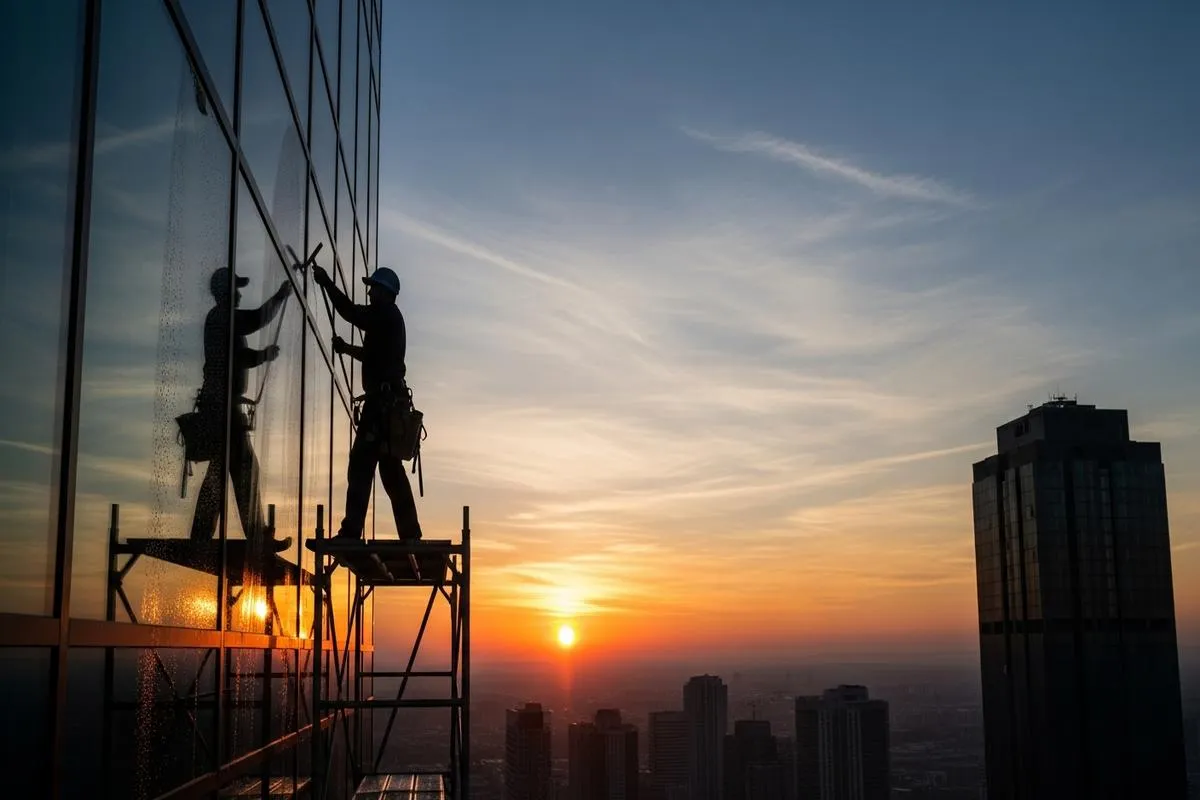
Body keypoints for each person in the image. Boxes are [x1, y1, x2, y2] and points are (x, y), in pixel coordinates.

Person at [311, 264, 423, 541]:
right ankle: (410, 535)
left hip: (382, 408)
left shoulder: (384, 314)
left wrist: (326, 283)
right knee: (391, 471)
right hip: (389, 405)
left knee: (361, 465)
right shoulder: (390, 319)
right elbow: (375, 356)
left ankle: (350, 533)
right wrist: (348, 349)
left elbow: (350, 311)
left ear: (385, 292)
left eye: (373, 288)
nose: (370, 293)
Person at [189, 267, 292, 551]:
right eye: (235, 288)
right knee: (244, 466)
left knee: (222, 470)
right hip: (222, 406)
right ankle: (255, 536)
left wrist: (261, 355)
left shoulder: (221, 320)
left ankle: (201, 533)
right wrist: (281, 296)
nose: (238, 293)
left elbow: (238, 357)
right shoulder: (223, 317)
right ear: (224, 291)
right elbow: (259, 318)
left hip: (218, 405)